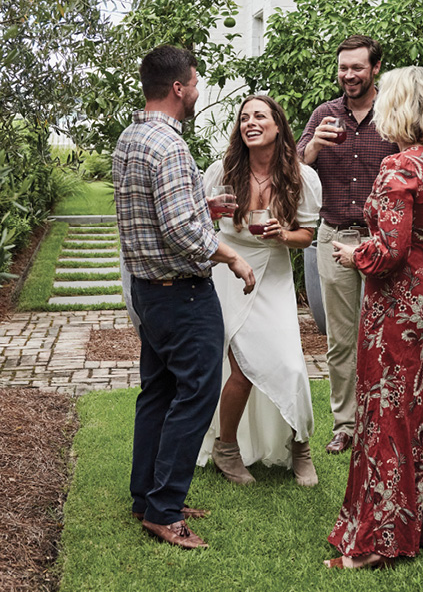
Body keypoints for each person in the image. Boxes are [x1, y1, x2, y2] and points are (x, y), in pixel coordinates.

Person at [113, 44, 255, 550]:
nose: (197, 90)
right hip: (183, 297)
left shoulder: (131, 138)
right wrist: (233, 257)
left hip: (149, 294)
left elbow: (155, 212)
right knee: (194, 395)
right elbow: (178, 232)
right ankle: (164, 510)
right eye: (194, 82)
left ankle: (145, 497)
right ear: (178, 88)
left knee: (157, 393)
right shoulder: (170, 146)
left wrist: (204, 203)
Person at [325, 66, 423, 569]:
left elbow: (390, 253)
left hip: (399, 307)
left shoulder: (398, 167)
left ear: (398, 106)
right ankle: (422, 525)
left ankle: (379, 542)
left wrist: (351, 254)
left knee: (389, 413)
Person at [197, 94, 322, 487]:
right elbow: (198, 221)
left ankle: (299, 447)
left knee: (291, 364)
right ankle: (226, 447)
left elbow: (307, 236)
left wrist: (283, 234)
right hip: (230, 271)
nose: (250, 122)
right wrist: (210, 210)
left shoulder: (302, 177)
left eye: (260, 116)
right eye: (244, 117)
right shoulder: (221, 171)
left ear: (277, 125)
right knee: (241, 368)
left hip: (275, 272)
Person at [297, 35, 398, 454]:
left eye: (357, 67)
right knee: (341, 338)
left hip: (382, 241)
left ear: (375, 68)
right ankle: (346, 424)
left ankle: (385, 420)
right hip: (334, 237)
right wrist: (316, 144)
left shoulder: (393, 113)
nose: (349, 75)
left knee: (387, 335)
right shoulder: (324, 113)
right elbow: (294, 167)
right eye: (343, 67)